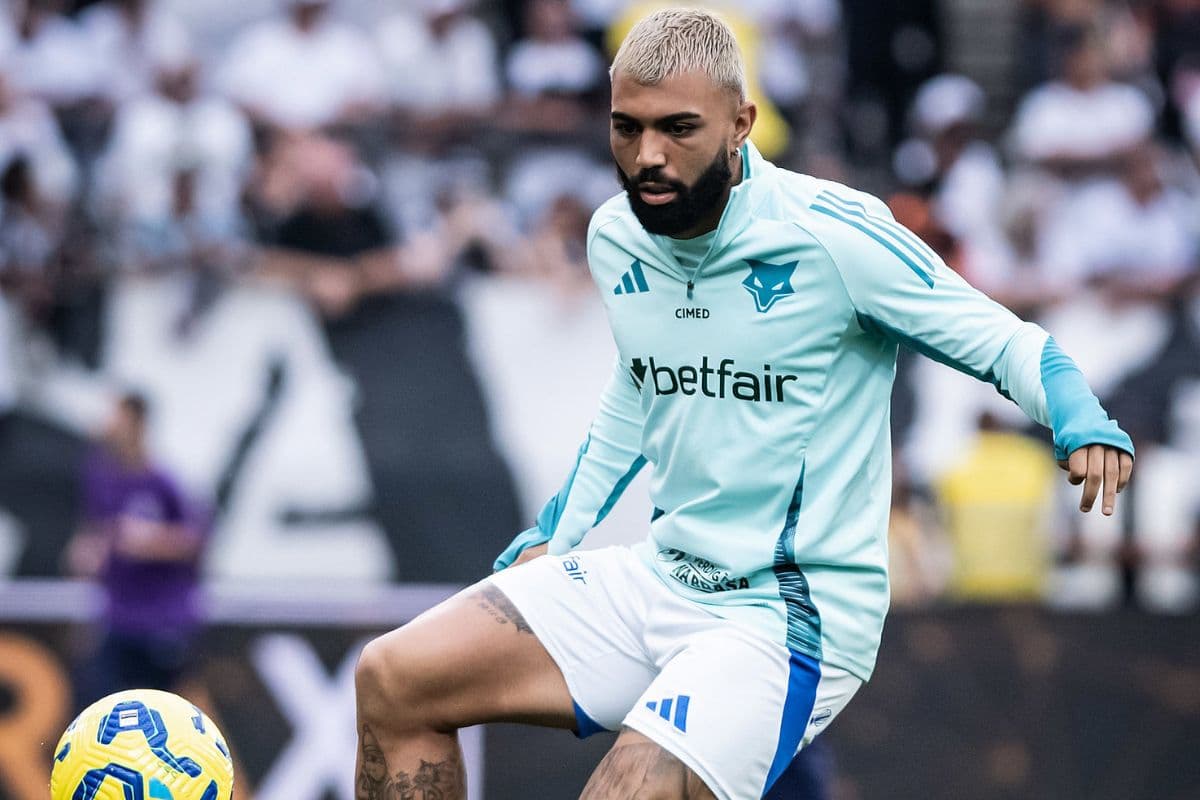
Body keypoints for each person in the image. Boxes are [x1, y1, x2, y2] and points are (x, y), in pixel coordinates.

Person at [354, 9, 1134, 799]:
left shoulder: (835, 236)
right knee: (395, 678)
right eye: (626, 128)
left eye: (678, 129)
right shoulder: (616, 236)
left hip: (788, 616)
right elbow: (640, 384)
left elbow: (1003, 339)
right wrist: (561, 529)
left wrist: (1081, 418)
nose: (648, 156)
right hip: (663, 578)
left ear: (742, 123)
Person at [65, 392, 208, 704]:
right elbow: (95, 535)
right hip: (117, 618)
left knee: (165, 709)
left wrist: (151, 541)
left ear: (139, 423)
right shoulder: (100, 477)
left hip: (163, 619)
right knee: (105, 705)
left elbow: (194, 540)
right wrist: (87, 553)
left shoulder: (163, 480)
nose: (111, 425)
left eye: (119, 417)